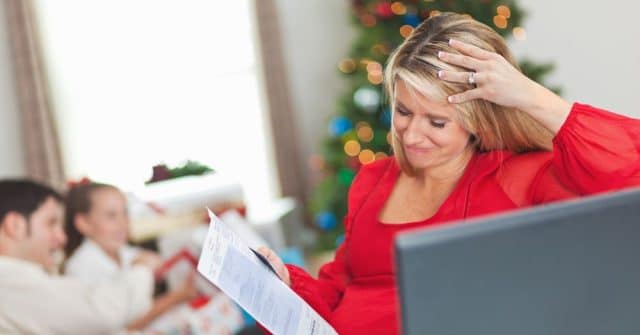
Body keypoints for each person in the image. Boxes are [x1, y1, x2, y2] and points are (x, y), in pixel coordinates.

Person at [255, 12, 640, 334]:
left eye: (436, 122)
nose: (411, 134)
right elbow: (339, 287)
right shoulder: (374, 180)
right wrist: (288, 285)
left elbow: (629, 175)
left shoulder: (519, 176)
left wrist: (528, 95)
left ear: (477, 121)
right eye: (403, 112)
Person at [0, 179, 154, 334]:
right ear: (15, 225)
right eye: (51, 223)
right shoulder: (9, 285)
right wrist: (142, 268)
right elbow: (103, 314)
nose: (62, 238)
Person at [64, 182, 197, 331]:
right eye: (111, 215)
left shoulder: (123, 252)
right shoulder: (80, 268)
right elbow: (118, 329)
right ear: (83, 223)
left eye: (125, 213)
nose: (123, 223)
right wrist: (173, 299)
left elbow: (153, 262)